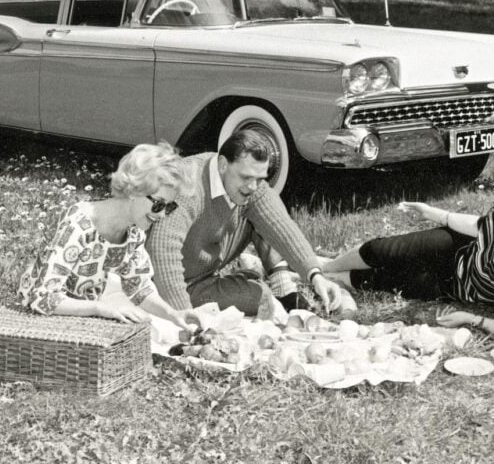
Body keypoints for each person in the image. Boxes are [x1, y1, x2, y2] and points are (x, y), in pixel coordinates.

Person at [320, 180, 494, 339]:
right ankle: (322, 266)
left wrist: (471, 319)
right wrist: (435, 214)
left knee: (378, 280)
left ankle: (323, 276)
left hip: (450, 286)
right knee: (381, 250)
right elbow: (477, 226)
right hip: (455, 248)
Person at [146, 129, 351, 321]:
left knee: (264, 212)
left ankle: (281, 284)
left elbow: (281, 225)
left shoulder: (250, 185)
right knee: (258, 297)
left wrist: (315, 275)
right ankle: (250, 276)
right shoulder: (188, 183)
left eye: (260, 179)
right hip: (173, 283)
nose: (253, 186)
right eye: (246, 177)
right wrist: (183, 316)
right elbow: (161, 251)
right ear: (223, 164)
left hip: (207, 268)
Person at [17, 142, 199, 327]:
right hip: (39, 318)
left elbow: (139, 288)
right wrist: (101, 309)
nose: (161, 214)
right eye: (159, 204)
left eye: (169, 207)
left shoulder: (134, 232)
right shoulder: (79, 224)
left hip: (80, 317)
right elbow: (42, 297)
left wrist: (173, 314)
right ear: (135, 190)